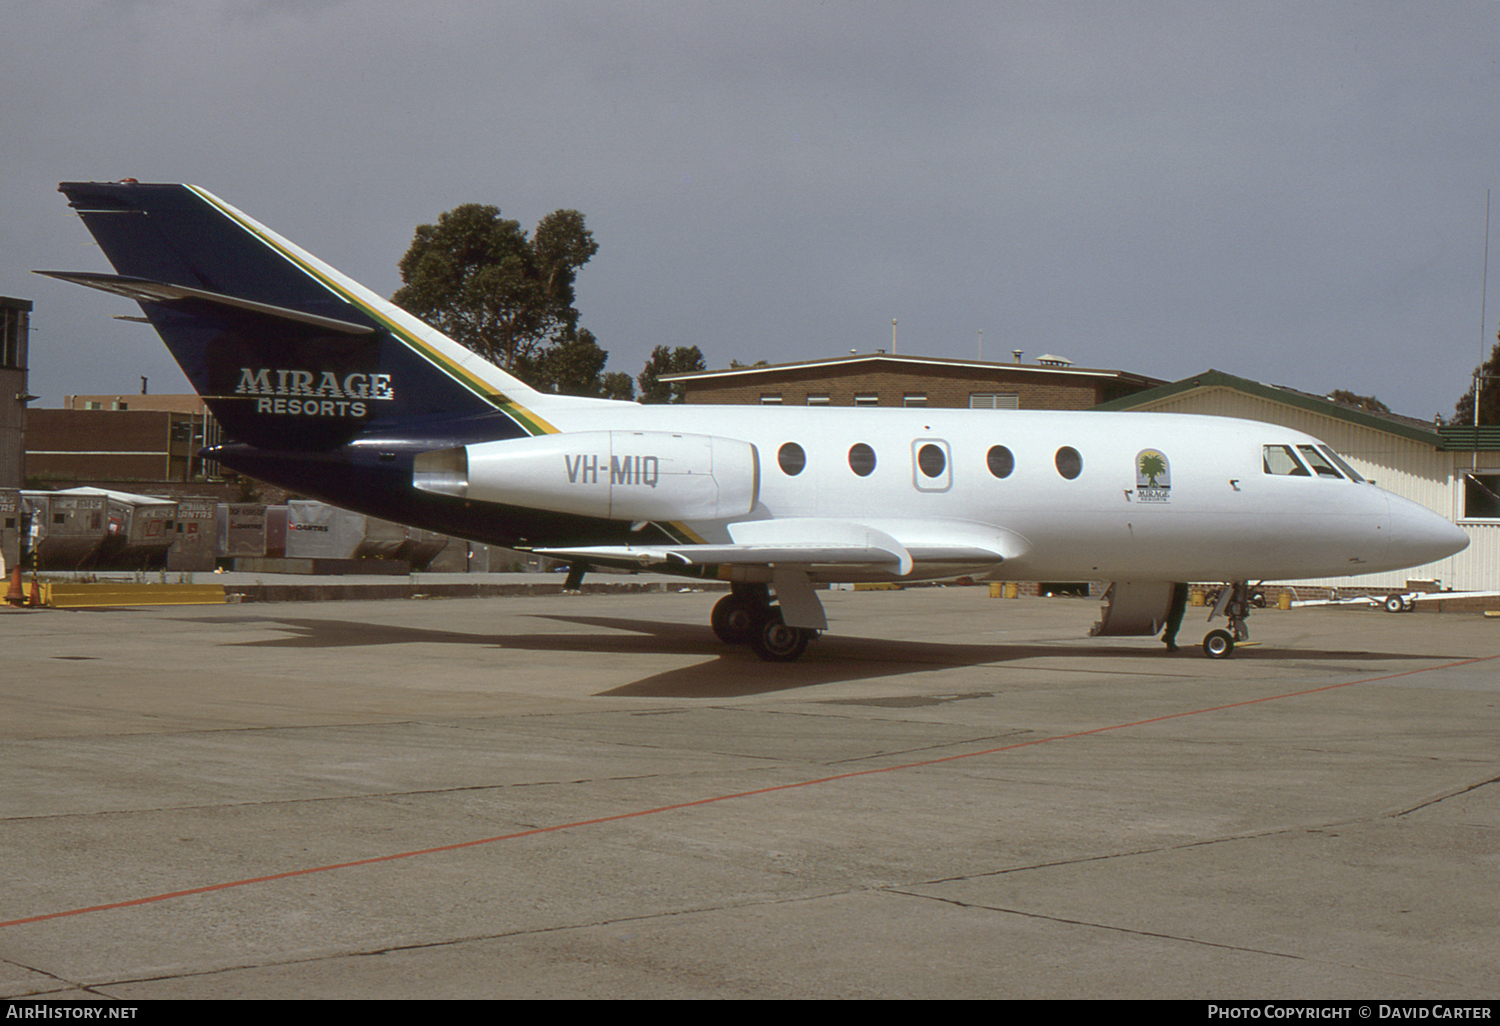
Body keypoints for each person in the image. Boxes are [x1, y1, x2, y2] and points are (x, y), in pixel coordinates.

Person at [1162, 582, 1189, 653]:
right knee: (1177, 612)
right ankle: (1170, 638)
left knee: (1174, 613)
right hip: (1179, 585)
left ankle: (1170, 639)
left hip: (1174, 584)